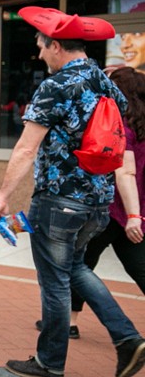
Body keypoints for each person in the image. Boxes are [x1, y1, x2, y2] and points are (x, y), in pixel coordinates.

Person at [0, 6, 145, 377]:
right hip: (98, 200)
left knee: (56, 280)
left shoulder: (56, 85)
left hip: (59, 199)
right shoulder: (105, 82)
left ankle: (50, 362)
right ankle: (127, 339)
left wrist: (2, 197)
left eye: (42, 46)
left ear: (56, 45)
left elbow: (26, 149)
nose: (39, 54)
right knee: (75, 268)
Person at [70, 67, 145, 333]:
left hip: (113, 209)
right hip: (135, 212)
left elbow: (124, 171)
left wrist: (133, 216)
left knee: (79, 266)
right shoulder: (141, 125)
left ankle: (72, 322)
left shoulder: (118, 126)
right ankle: (70, 321)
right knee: (139, 269)